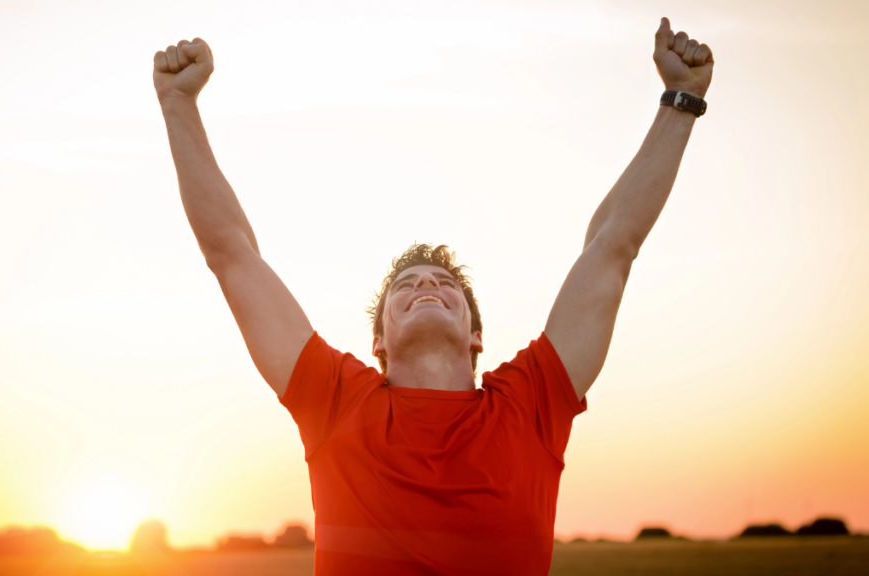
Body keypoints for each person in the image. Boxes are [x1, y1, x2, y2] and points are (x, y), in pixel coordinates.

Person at [152, 16, 713, 576]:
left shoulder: (531, 405)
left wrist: (681, 99)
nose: (426, 284)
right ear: (378, 341)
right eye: (407, 285)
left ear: (476, 336)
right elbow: (232, 255)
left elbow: (613, 245)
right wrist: (179, 104)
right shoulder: (336, 402)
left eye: (446, 285)